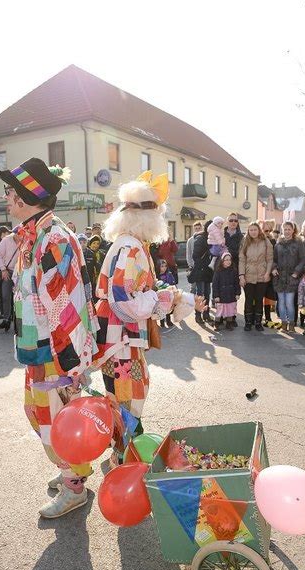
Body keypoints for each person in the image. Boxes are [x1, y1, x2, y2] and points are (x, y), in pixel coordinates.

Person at [1, 157, 99, 519]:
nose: (7, 199)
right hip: (38, 349)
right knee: (40, 413)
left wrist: (69, 363)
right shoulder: (34, 235)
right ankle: (71, 473)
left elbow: (65, 305)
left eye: (10, 192)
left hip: (54, 353)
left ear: (26, 197)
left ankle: (74, 486)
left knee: (55, 419)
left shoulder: (52, 238)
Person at [93, 171, 205, 466]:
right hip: (121, 341)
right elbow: (124, 300)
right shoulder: (131, 248)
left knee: (123, 398)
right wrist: (164, 299)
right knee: (130, 399)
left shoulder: (130, 244)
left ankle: (121, 451)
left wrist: (180, 297)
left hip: (118, 339)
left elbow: (140, 291)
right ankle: (126, 460)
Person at [272, 222, 305, 332]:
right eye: (285, 229)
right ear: (282, 230)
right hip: (280, 277)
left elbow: (303, 259)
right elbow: (273, 259)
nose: (287, 231)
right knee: (281, 302)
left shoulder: (298, 243)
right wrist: (274, 268)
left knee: (289, 302)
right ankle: (283, 323)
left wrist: (297, 272)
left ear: (293, 230)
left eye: (289, 229)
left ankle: (291, 324)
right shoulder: (278, 244)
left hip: (292, 277)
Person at [239, 221, 273, 331]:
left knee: (259, 300)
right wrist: (241, 276)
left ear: (259, 230)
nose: (253, 232)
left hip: (262, 275)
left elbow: (269, 259)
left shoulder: (265, 241)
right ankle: (248, 322)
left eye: (255, 229)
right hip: (248, 275)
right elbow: (242, 260)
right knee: (249, 299)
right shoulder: (245, 241)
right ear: (248, 231)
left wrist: (267, 273)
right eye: (251, 230)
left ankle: (258, 322)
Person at [0, 229, 20, 331]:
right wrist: (3, 270)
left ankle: (18, 321)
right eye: (19, 234)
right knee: (6, 296)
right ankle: (6, 320)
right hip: (8, 271)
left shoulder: (25, 241)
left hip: (20, 273)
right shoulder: (6, 240)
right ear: (15, 233)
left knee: (19, 298)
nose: (21, 236)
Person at [192, 219, 214, 325]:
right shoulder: (201, 239)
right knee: (200, 294)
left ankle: (206, 314)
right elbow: (195, 256)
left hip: (208, 271)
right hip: (201, 271)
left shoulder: (213, 239)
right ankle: (198, 315)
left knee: (207, 293)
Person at [212, 252, 241, 330]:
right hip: (221, 295)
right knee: (220, 310)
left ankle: (229, 323)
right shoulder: (218, 271)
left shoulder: (234, 271)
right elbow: (215, 285)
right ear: (222, 261)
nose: (228, 261)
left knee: (230, 310)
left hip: (231, 294)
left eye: (229, 260)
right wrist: (216, 296)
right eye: (226, 260)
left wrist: (238, 293)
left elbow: (237, 283)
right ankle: (216, 324)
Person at [260, 220, 279, 328]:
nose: (267, 232)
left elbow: (274, 257)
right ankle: (256, 318)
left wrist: (272, 268)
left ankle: (267, 318)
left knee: (267, 296)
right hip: (258, 272)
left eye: (269, 230)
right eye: (265, 230)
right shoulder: (256, 240)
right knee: (257, 297)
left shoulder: (273, 241)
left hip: (269, 272)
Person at [87, 234, 106, 300]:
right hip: (90, 280)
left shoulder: (102, 254)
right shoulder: (86, 253)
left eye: (98, 243)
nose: (96, 245)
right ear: (90, 244)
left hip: (99, 279)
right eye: (94, 243)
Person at [186, 221, 203, 294]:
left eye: (199, 228)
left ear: (202, 228)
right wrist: (190, 265)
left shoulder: (204, 239)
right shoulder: (190, 240)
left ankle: (200, 304)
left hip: (202, 267)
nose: (198, 230)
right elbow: (188, 253)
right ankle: (192, 303)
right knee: (193, 287)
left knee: (201, 288)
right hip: (193, 267)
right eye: (196, 228)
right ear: (194, 229)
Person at [158, 259, 176, 327]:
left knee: (168, 308)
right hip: (161, 295)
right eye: (162, 266)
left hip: (169, 294)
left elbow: (173, 283)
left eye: (165, 266)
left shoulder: (169, 274)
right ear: (158, 267)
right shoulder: (157, 276)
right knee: (161, 309)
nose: (164, 268)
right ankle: (162, 322)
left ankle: (168, 320)